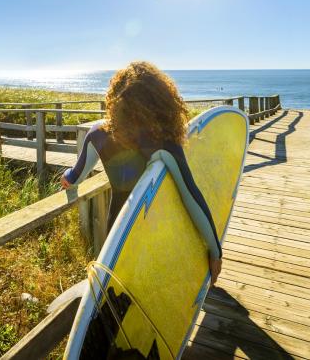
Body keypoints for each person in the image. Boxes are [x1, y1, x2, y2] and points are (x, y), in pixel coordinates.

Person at [60, 61, 223, 284]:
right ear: (160, 101)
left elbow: (75, 176)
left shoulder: (97, 134)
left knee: (116, 289)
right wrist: (215, 251)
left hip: (115, 234)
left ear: (115, 100)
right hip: (151, 233)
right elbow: (191, 196)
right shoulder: (164, 144)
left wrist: (67, 177)